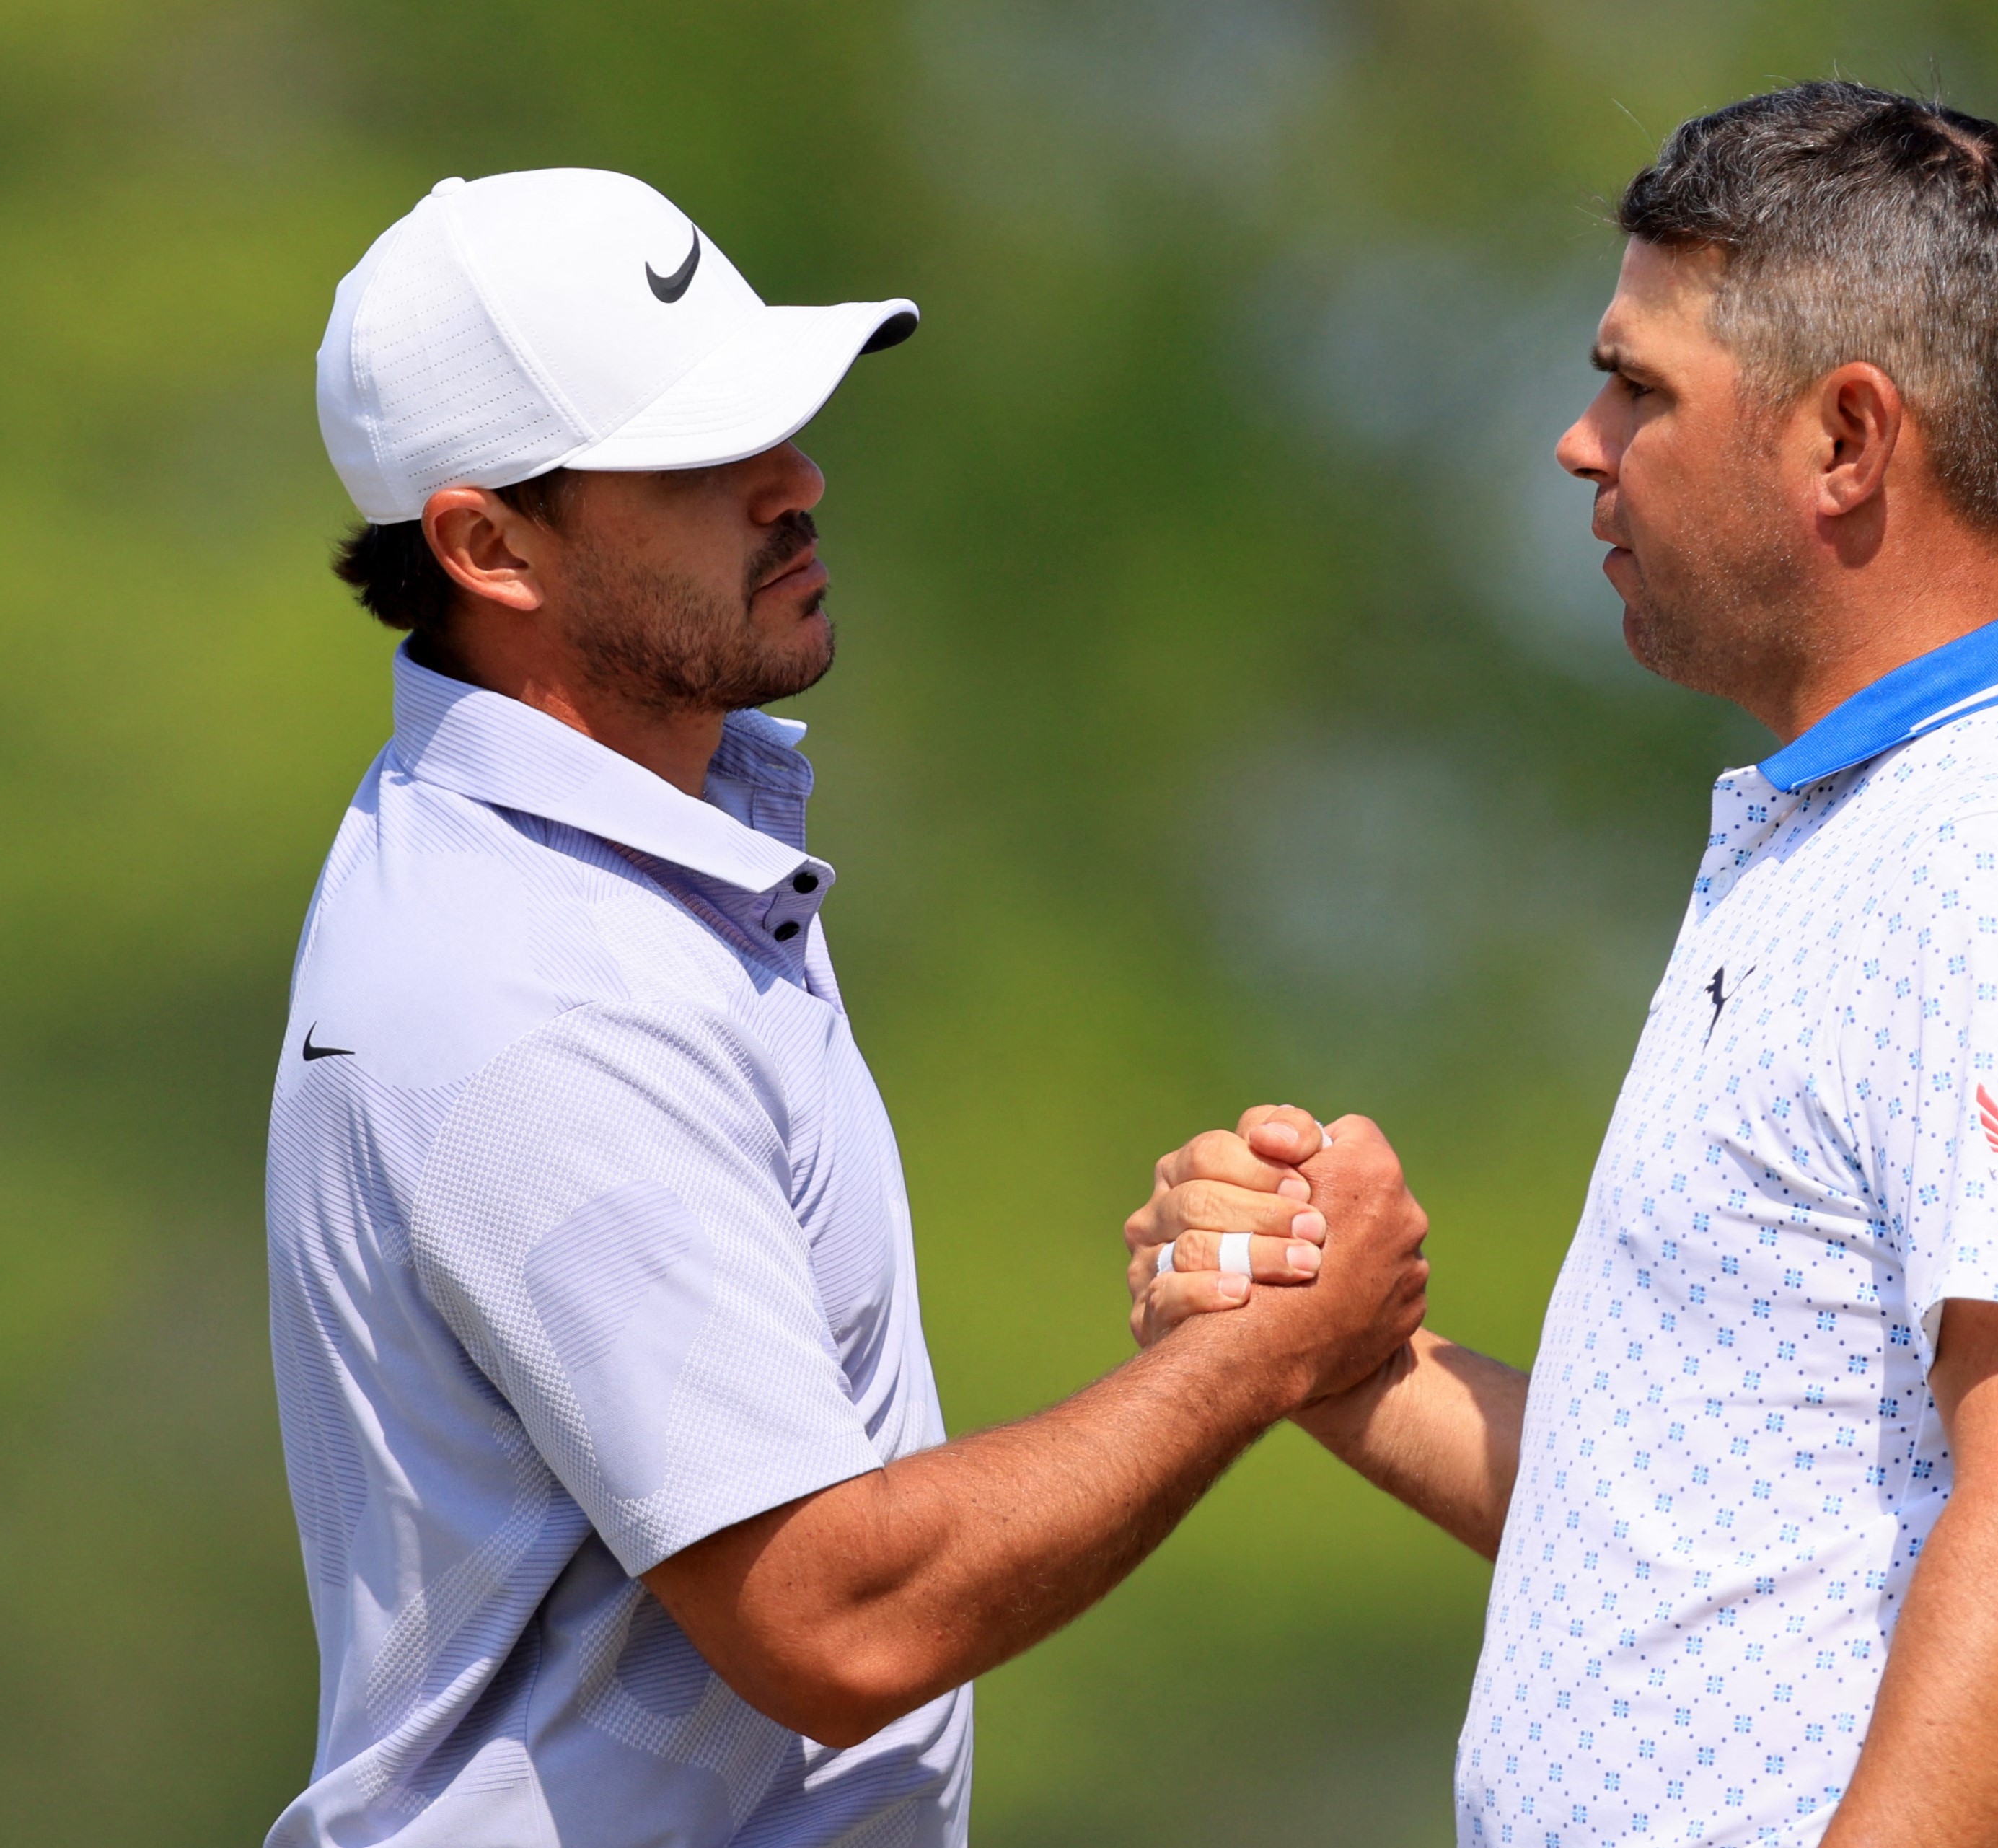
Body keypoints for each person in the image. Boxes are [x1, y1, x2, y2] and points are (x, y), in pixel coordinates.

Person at [1132, 84, 1998, 1847]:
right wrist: (1332, 1360)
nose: (1580, 445)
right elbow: (1681, 1531)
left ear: (1846, 442)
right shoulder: (1842, 844)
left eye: (1639, 388)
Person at [263, 167, 1425, 1848]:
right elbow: (835, 1616)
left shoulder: (582, 857)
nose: (795, 480)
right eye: (697, 459)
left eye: (779, 421)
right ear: (487, 545)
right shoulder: (547, 991)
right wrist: (1254, 1360)